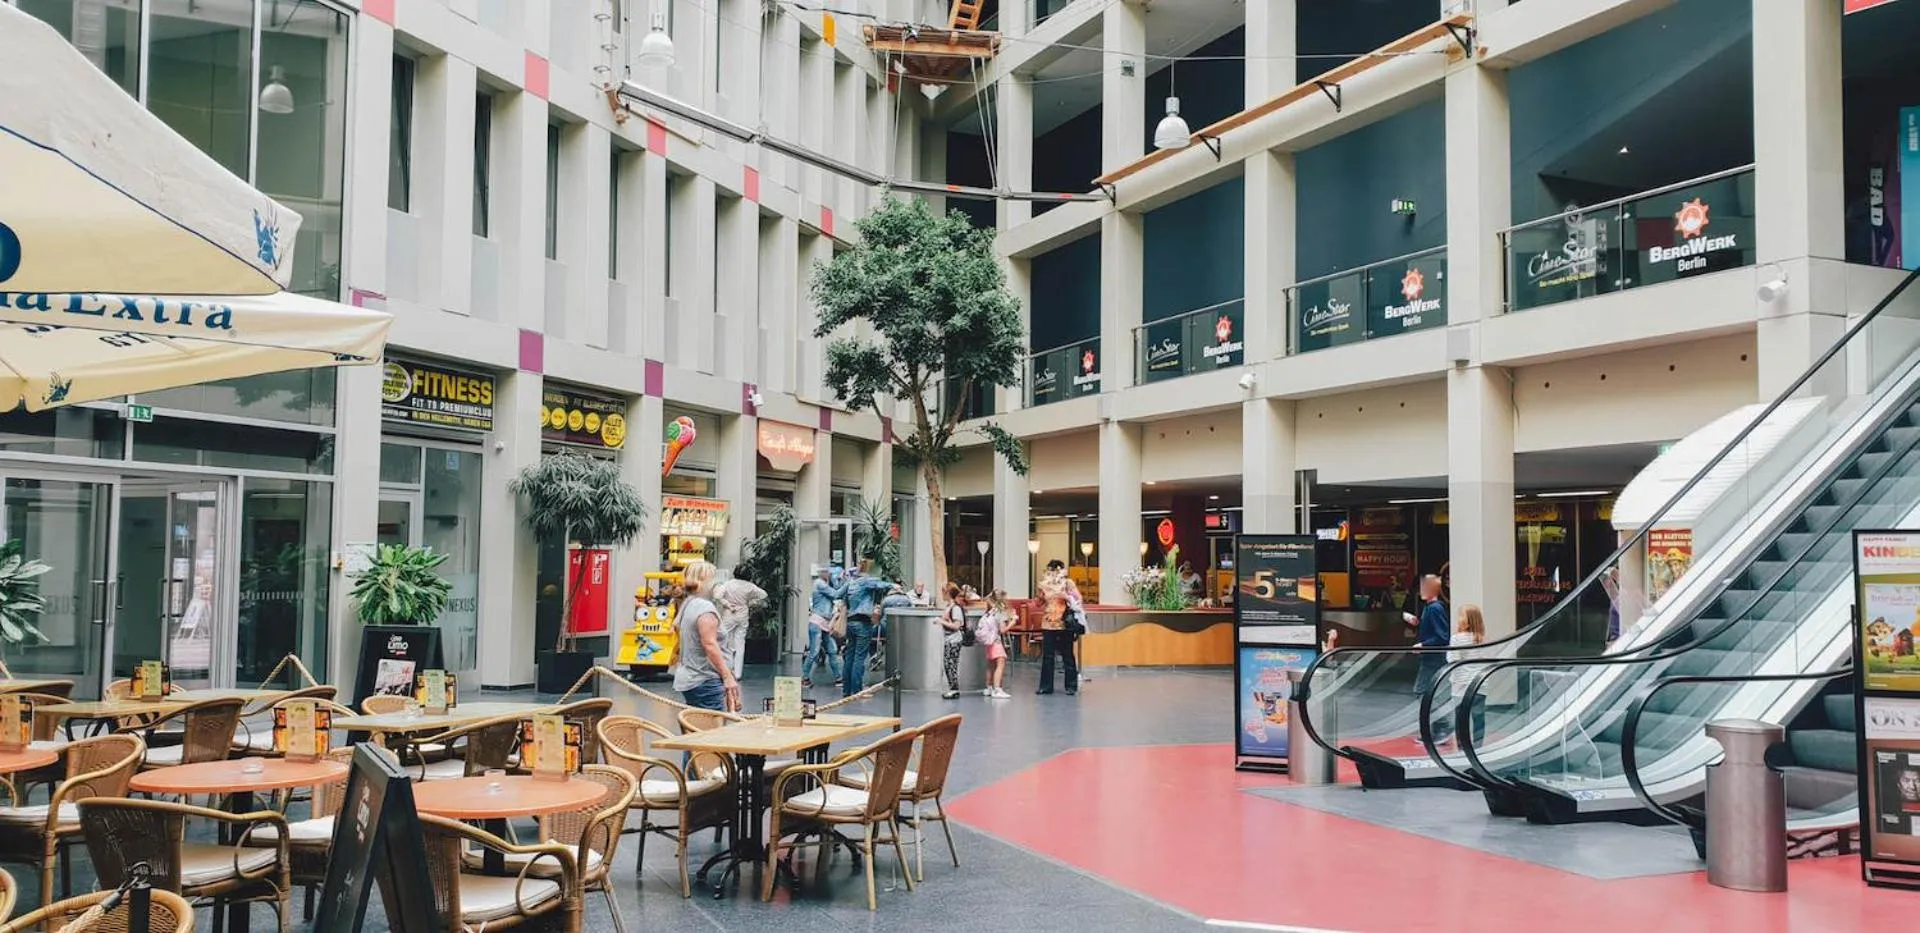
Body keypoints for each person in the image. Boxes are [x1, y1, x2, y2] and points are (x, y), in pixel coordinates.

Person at [671, 561, 739, 712]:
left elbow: (676, 628)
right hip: (705, 678)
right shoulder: (704, 607)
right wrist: (727, 676)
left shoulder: (688, 603)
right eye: (713, 578)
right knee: (711, 728)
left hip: (691, 677)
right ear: (704, 580)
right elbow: (709, 644)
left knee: (697, 723)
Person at [1436, 604, 1488, 747]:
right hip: (1479, 684)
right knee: (1478, 718)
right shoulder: (1482, 638)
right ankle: (1478, 748)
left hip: (1461, 685)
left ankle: (1462, 747)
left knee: (1460, 719)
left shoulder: (1457, 639)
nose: (1458, 619)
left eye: (1461, 616)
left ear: (1468, 620)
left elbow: (1452, 659)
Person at [840, 564, 896, 697]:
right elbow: (880, 585)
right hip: (862, 624)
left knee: (849, 657)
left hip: (851, 622)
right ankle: (857, 691)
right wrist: (893, 585)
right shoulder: (865, 581)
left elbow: (838, 594)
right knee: (859, 658)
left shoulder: (850, 583)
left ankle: (847, 690)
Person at [711, 574, 768, 680]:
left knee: (723, 641)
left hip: (729, 614)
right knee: (740, 644)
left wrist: (727, 604)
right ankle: (738, 674)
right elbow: (763, 594)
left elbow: (717, 596)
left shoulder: (729, 584)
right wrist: (750, 602)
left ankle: (725, 669)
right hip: (743, 614)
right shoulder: (749, 586)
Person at [1037, 560, 1080, 695]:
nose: (1052, 573)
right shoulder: (1045, 583)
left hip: (1064, 622)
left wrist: (1066, 596)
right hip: (1048, 623)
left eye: (1055, 569)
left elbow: (1078, 599)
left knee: (1067, 655)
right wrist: (1040, 596)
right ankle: (1046, 686)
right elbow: (1039, 604)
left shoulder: (1068, 583)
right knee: (1048, 656)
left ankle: (1071, 686)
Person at [1404, 574, 1450, 699]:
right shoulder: (1430, 608)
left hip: (1433, 658)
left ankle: (1439, 718)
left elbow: (1443, 636)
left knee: (1422, 690)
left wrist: (1423, 645)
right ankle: (1438, 717)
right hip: (1430, 656)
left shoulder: (1434, 609)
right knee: (1429, 691)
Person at [803, 566, 844, 688]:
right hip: (817, 622)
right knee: (814, 652)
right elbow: (837, 593)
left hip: (825, 623)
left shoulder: (824, 584)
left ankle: (839, 678)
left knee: (832, 650)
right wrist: (846, 583)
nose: (831, 575)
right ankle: (805, 678)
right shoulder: (820, 584)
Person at [937, 582, 969, 699]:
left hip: (954, 640)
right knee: (948, 664)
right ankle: (952, 687)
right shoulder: (950, 607)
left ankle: (954, 689)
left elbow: (956, 625)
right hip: (949, 639)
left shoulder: (955, 608)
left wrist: (941, 621)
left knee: (951, 664)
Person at [977, 589, 1011, 699]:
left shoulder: (989, 611)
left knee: (990, 664)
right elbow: (1002, 630)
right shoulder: (1000, 611)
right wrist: (1012, 622)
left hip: (988, 642)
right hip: (996, 641)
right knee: (1001, 662)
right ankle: (998, 689)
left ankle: (989, 687)